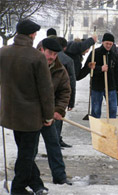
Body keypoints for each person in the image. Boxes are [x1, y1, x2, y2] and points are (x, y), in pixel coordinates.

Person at [0, 19, 55, 195]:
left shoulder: (3, 53)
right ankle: (18, 188)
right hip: (31, 116)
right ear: (32, 35)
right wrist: (48, 116)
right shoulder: (37, 56)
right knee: (26, 154)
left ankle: (37, 184)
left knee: (25, 151)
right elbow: (45, 91)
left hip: (11, 112)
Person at [37, 38, 72, 186]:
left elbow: (65, 92)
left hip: (49, 115)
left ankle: (60, 177)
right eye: (49, 53)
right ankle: (27, 177)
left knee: (54, 146)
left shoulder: (60, 69)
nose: (52, 57)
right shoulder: (33, 65)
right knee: (29, 150)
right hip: (32, 114)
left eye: (55, 54)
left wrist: (58, 110)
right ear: (42, 50)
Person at [78, 33, 118, 118]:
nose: (108, 46)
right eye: (107, 43)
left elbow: (117, 71)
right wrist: (100, 69)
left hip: (111, 86)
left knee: (113, 108)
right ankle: (96, 128)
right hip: (97, 86)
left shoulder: (114, 55)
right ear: (102, 42)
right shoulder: (95, 53)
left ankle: (111, 127)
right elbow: (88, 68)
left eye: (110, 44)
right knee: (96, 109)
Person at [55, 37, 76, 148]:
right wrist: (71, 101)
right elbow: (71, 82)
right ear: (64, 47)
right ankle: (56, 140)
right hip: (60, 95)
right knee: (58, 119)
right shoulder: (67, 60)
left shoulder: (43, 57)